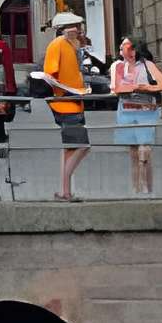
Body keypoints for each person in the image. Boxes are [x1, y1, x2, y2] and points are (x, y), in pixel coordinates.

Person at [108, 37, 162, 198]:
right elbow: (115, 88)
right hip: (126, 110)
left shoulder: (147, 65)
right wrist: (127, 87)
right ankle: (136, 189)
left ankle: (147, 189)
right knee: (134, 152)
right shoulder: (117, 66)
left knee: (145, 150)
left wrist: (147, 87)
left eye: (126, 46)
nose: (122, 49)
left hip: (146, 110)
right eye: (121, 46)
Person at [42, 11, 91, 199]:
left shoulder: (70, 46)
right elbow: (49, 75)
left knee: (70, 147)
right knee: (82, 146)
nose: (79, 30)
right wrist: (68, 89)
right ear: (66, 29)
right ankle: (64, 188)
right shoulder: (58, 45)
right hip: (65, 103)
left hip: (73, 102)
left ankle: (65, 191)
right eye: (76, 27)